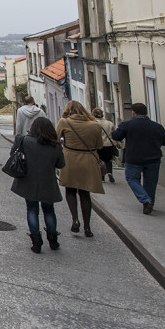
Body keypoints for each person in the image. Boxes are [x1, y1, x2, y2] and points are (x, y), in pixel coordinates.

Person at [10, 116, 66, 253]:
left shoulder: (25, 141)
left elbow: (13, 154)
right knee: (49, 210)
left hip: (29, 180)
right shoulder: (56, 145)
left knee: (32, 210)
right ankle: (53, 239)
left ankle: (36, 241)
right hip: (48, 182)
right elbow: (61, 164)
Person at [55, 100, 105, 237]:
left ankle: (75, 220)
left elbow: (56, 140)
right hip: (88, 160)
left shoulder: (64, 122)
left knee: (70, 190)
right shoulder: (95, 125)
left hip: (70, 159)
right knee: (85, 193)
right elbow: (99, 145)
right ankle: (87, 227)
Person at [111, 103, 165, 214]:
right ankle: (149, 203)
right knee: (151, 182)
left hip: (134, 158)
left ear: (133, 112)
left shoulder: (127, 124)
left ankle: (145, 200)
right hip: (153, 158)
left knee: (132, 179)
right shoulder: (157, 126)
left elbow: (116, 136)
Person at [93, 107, 118, 183]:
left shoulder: (93, 123)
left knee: (100, 161)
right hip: (108, 144)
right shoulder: (109, 123)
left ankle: (102, 177)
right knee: (108, 160)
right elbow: (113, 134)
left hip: (98, 145)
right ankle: (109, 172)